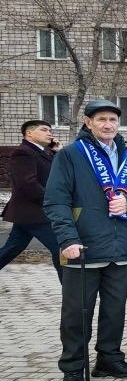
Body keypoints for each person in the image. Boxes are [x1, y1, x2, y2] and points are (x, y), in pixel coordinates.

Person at [44, 99, 127, 381]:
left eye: (113, 120)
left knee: (114, 310)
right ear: (88, 122)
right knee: (77, 313)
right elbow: (56, 201)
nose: (108, 125)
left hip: (120, 247)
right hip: (83, 248)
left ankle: (109, 358)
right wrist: (68, 239)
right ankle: (73, 368)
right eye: (101, 119)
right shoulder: (71, 155)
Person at [0, 119, 62, 279]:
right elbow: (28, 184)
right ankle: (72, 290)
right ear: (29, 133)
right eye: (44, 130)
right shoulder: (23, 152)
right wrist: (52, 201)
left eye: (50, 130)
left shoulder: (41, 152)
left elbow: (53, 174)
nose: (49, 133)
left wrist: (56, 152)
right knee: (61, 247)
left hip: (29, 213)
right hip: (34, 212)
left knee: (12, 248)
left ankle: (71, 288)